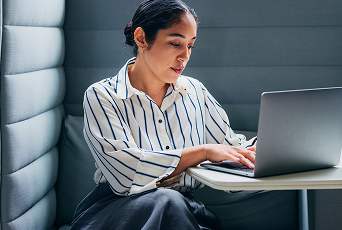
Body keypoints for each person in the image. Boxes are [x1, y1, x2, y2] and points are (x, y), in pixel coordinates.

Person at [71, 0, 257, 229]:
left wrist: (262, 151)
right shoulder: (102, 96)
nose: (185, 56)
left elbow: (231, 152)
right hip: (116, 212)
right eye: (175, 43)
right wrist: (203, 152)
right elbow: (126, 176)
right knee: (167, 200)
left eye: (190, 46)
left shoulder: (196, 91)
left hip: (183, 211)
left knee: (173, 203)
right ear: (141, 39)